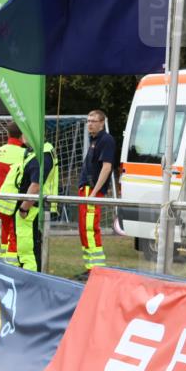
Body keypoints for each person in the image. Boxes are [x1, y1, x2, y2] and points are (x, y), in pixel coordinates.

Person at [0, 142, 59, 272]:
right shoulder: (37, 151)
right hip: (29, 208)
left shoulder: (42, 154)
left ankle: (32, 279)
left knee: (29, 252)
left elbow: (36, 185)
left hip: (31, 210)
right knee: (25, 250)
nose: (22, 137)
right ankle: (28, 276)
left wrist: (23, 208)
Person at [77, 109, 115, 271]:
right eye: (88, 121)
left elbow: (106, 168)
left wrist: (93, 193)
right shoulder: (94, 140)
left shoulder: (106, 140)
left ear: (102, 123)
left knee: (90, 229)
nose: (90, 124)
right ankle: (89, 268)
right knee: (84, 230)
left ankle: (96, 270)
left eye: (93, 121)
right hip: (85, 189)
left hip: (92, 190)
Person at [0, 122, 27, 265]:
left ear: (8, 133)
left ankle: (2, 260)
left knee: (4, 230)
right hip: (15, 198)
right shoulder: (24, 154)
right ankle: (11, 264)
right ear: (22, 135)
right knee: (14, 232)